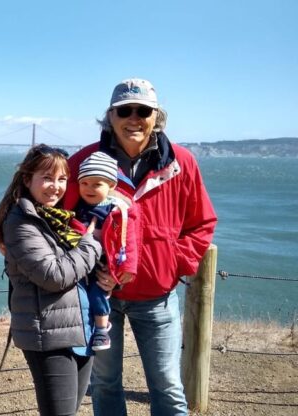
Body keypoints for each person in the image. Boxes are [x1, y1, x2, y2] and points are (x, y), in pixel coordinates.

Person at [63, 78, 217, 416]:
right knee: (104, 384)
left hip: (158, 297)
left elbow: (202, 223)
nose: (134, 117)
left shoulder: (181, 162)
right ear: (111, 116)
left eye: (143, 110)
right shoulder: (84, 161)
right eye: (124, 110)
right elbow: (59, 215)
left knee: (167, 386)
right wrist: (85, 264)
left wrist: (172, 264)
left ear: (156, 116)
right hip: (100, 297)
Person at [0, 144, 102, 415]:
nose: (56, 186)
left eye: (62, 179)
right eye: (48, 177)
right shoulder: (21, 223)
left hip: (80, 329)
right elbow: (55, 276)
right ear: (27, 179)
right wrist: (93, 244)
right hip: (49, 336)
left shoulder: (58, 218)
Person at [73, 151, 141, 352]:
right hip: (81, 263)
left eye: (97, 184)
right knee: (80, 296)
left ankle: (102, 330)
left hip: (105, 264)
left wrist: (126, 269)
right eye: (84, 183)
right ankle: (86, 329)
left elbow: (129, 241)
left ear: (111, 186)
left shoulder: (119, 210)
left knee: (98, 293)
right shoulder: (78, 206)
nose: (89, 189)